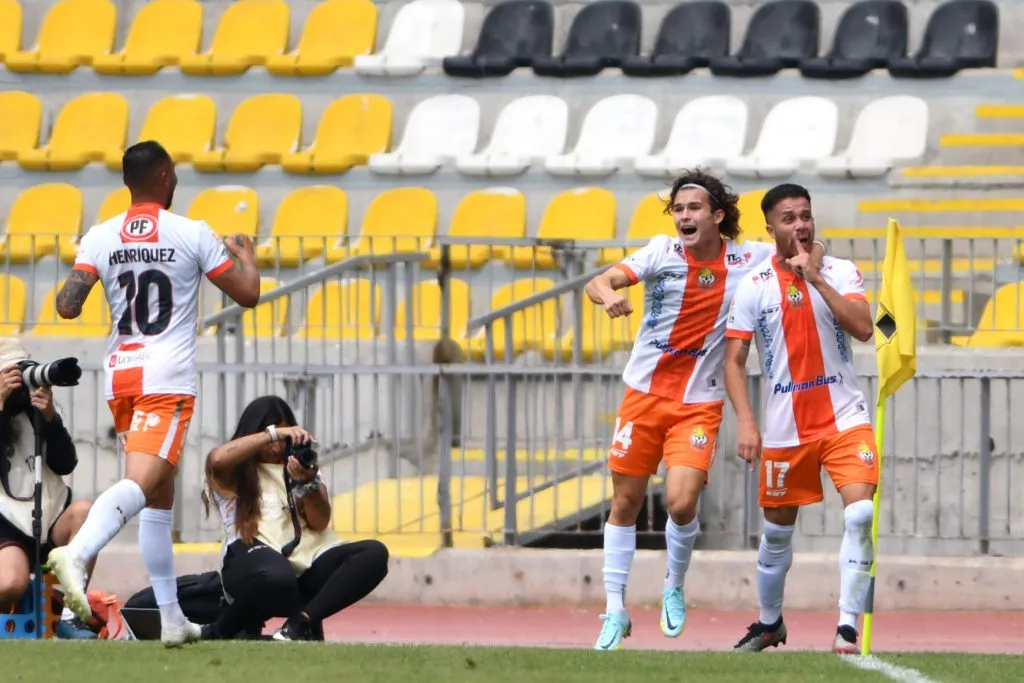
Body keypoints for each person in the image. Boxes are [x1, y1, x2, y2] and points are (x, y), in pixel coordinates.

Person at [582, 170, 827, 651]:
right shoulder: (659, 251)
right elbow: (600, 280)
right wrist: (610, 295)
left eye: (693, 209)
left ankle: (674, 583)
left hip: (699, 403)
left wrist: (812, 257)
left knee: (680, 501)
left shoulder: (748, 258)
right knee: (625, 504)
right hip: (643, 396)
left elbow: (805, 248)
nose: (684, 217)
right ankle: (614, 609)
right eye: (678, 210)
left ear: (717, 216)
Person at [46, 140, 262, 648]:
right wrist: (246, 257)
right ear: (165, 176)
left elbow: (67, 306)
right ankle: (77, 555)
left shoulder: (100, 236)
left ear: (128, 182)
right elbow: (248, 294)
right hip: (166, 378)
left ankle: (170, 619)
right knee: (144, 485)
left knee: (159, 501)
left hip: (122, 376)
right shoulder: (191, 233)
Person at [722, 183, 877, 655]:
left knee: (861, 514)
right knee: (776, 533)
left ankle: (847, 628)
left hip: (845, 418)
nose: (801, 225)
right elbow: (734, 359)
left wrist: (816, 279)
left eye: (806, 215)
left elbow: (866, 329)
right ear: (770, 228)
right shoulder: (754, 286)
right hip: (786, 426)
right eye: (789, 218)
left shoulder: (841, 270)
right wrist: (747, 423)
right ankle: (770, 623)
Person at [200, 395, 389, 641]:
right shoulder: (235, 470)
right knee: (278, 575)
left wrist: (307, 483)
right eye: (274, 435)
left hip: (303, 569)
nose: (279, 445)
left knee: (374, 553)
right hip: (254, 568)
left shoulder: (301, 468)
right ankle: (220, 630)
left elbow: (320, 523)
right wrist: (274, 433)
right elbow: (216, 459)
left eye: (285, 435)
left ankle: (300, 623)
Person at [0, 338, 97, 639]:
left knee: (86, 512)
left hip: (49, 515)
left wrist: (52, 419)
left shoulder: (36, 411)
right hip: (7, 523)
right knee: (10, 583)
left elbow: (66, 463)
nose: (19, 384)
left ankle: (72, 615)